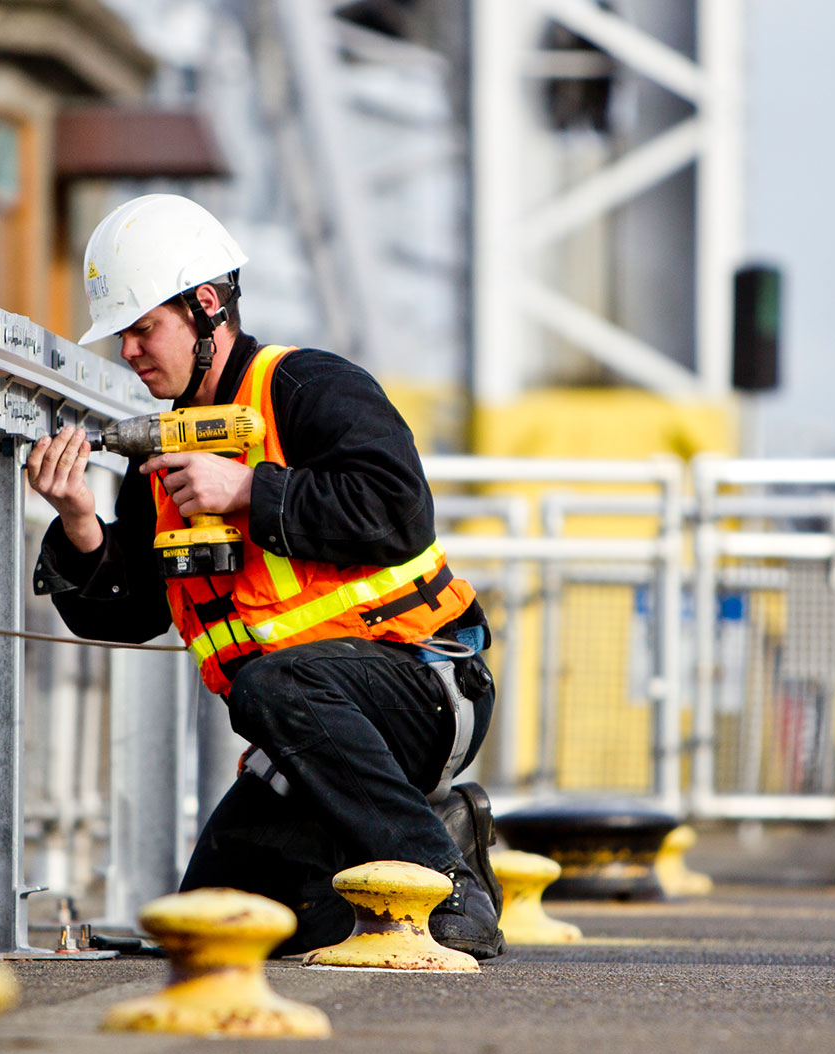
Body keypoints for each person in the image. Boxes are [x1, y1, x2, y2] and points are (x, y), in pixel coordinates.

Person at [25, 194, 504, 958]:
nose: (131, 353)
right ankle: (420, 833)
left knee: (270, 684)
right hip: (307, 725)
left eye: (144, 328)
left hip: (429, 683)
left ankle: (447, 878)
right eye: (125, 337)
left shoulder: (306, 386)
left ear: (206, 306)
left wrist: (249, 490)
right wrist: (81, 523)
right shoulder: (161, 452)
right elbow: (132, 609)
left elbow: (399, 510)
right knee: (218, 923)